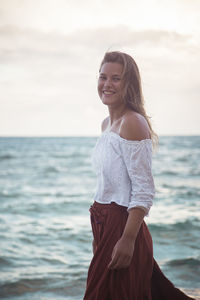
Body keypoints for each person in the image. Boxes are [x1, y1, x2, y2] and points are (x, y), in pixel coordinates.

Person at [83, 51, 195, 300]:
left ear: (129, 84)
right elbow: (106, 187)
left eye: (116, 78)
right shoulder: (106, 124)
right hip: (104, 225)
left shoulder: (132, 123)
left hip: (122, 225)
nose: (107, 84)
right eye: (103, 77)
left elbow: (143, 190)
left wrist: (128, 239)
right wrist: (98, 238)